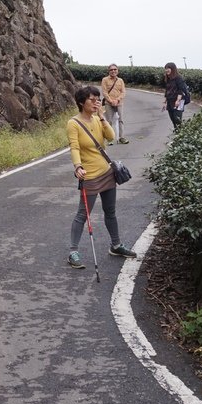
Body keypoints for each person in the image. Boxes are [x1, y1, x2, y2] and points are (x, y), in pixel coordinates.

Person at [66, 85, 136, 269]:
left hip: (106, 172)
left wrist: (103, 117)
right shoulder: (73, 123)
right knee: (83, 214)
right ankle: (73, 251)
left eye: (98, 99)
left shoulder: (98, 119)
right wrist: (77, 166)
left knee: (110, 211)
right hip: (88, 175)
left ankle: (116, 245)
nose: (97, 102)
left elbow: (111, 137)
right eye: (92, 99)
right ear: (82, 102)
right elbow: (74, 147)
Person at [100, 63, 129, 144]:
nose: (113, 71)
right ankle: (110, 138)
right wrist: (111, 101)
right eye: (111, 70)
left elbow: (123, 92)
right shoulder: (105, 80)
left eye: (115, 69)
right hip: (109, 103)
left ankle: (121, 137)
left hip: (119, 103)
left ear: (117, 71)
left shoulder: (120, 80)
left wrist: (117, 100)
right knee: (109, 121)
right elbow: (104, 92)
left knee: (121, 120)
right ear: (109, 71)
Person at [161, 62, 189, 130]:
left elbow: (181, 90)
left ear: (173, 69)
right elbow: (167, 91)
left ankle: (181, 135)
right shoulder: (168, 78)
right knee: (173, 119)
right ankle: (177, 134)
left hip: (179, 101)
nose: (166, 70)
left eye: (168, 68)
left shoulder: (178, 78)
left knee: (177, 119)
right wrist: (164, 102)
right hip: (170, 101)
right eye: (166, 68)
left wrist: (178, 100)